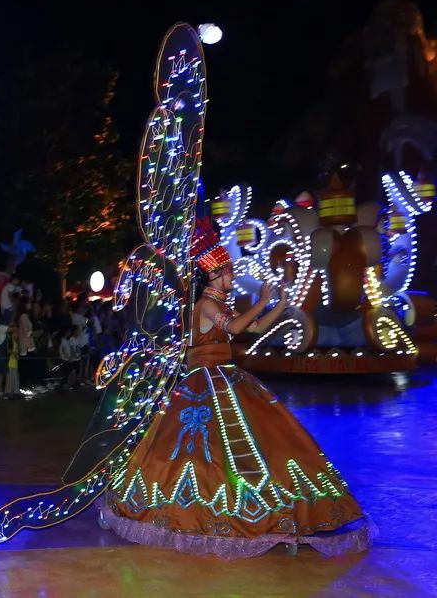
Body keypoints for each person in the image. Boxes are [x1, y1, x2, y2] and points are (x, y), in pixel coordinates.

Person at [92, 220, 374, 556]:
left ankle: (276, 514)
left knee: (263, 441)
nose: (232, 277)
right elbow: (237, 327)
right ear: (213, 275)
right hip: (204, 381)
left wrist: (279, 304)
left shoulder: (220, 304)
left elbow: (253, 327)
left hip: (226, 377)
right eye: (227, 272)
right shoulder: (206, 305)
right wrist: (261, 299)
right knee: (203, 452)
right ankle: (205, 512)